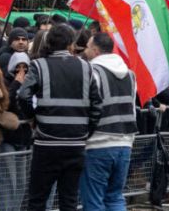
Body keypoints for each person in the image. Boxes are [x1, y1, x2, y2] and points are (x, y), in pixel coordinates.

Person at [18, 24, 103, 211]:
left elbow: (23, 95)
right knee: (69, 200)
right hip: (76, 143)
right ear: (71, 43)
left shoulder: (39, 65)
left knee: (38, 200)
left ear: (49, 42)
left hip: (47, 143)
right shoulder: (86, 67)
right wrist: (87, 131)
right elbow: (98, 104)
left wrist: (32, 118)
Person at [79, 32, 138, 211]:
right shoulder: (130, 75)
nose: (86, 51)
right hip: (125, 143)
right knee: (115, 198)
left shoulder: (91, 72)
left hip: (98, 143)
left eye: (88, 47)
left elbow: (86, 107)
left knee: (93, 200)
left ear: (96, 50)